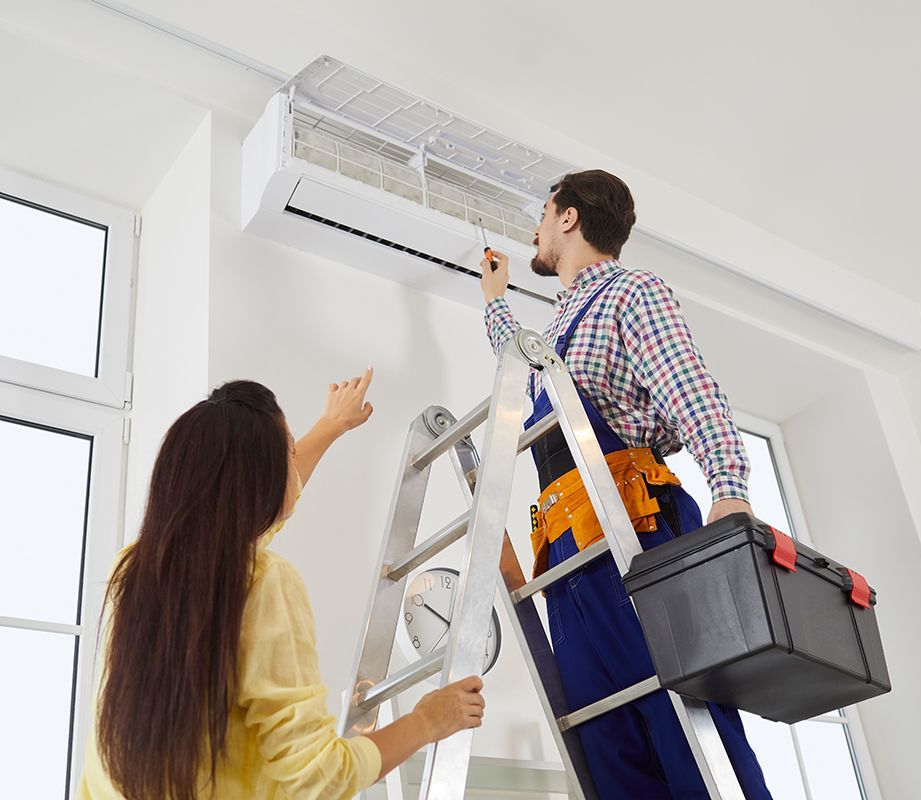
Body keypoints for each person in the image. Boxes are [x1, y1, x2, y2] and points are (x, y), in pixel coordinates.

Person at [479, 170, 771, 799]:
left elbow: (691, 389)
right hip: (566, 552)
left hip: (629, 534)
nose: (536, 224)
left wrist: (729, 485)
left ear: (568, 219)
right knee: (607, 740)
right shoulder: (558, 331)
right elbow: (518, 366)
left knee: (682, 722)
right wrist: (495, 300)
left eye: (543, 210)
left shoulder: (631, 294)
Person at [78, 372, 485, 800]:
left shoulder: (134, 570)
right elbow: (317, 777)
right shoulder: (263, 583)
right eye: (288, 452)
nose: (294, 460)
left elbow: (247, 522)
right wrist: (426, 721)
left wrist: (328, 428)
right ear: (262, 481)